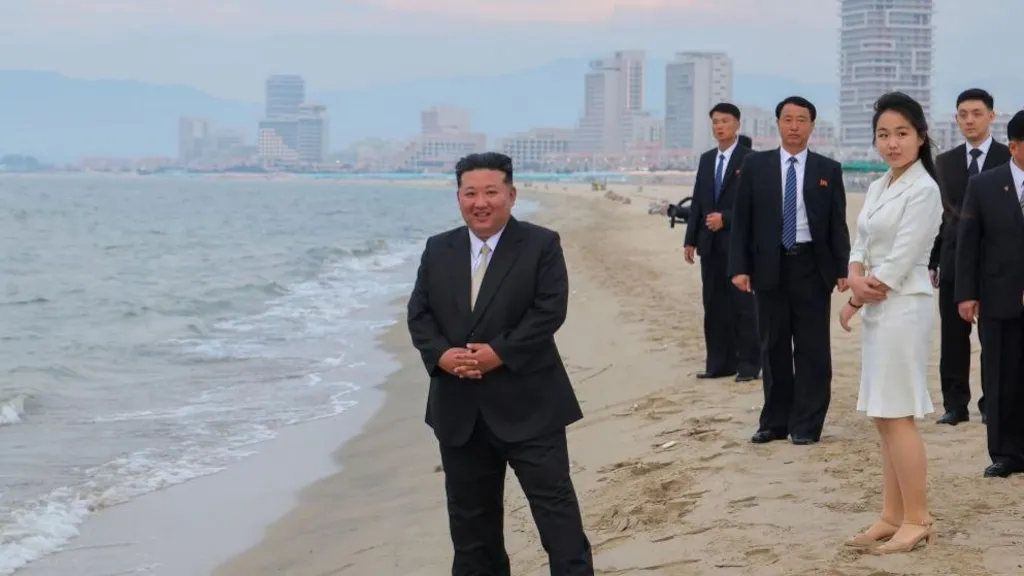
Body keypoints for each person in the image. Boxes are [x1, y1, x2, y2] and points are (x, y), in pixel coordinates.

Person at [406, 152, 594, 575]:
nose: (481, 202)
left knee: (557, 519)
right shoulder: (439, 249)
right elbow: (419, 315)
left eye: (491, 192)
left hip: (531, 405)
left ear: (511, 195)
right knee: (472, 531)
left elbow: (549, 311)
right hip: (458, 409)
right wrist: (441, 355)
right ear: (458, 197)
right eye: (470, 193)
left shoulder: (541, 243)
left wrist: (498, 353)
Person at [840, 92, 941, 553]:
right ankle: (891, 514)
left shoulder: (924, 190)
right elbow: (861, 241)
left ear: (921, 137)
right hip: (880, 308)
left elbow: (899, 262)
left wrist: (858, 296)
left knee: (898, 413)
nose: (892, 143)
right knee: (883, 413)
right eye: (884, 135)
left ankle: (917, 518)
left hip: (904, 306)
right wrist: (855, 277)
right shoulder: (881, 185)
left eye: (902, 134)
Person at [728, 95, 851, 446]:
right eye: (787, 119)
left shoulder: (828, 169)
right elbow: (742, 220)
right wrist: (739, 266)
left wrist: (842, 267)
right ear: (778, 124)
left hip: (812, 267)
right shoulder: (755, 165)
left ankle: (807, 424)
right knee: (773, 346)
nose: (794, 126)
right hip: (768, 266)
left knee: (812, 350)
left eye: (801, 119)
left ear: (812, 125)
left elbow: (836, 224)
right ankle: (775, 421)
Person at [930, 88, 1010, 426]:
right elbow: (941, 216)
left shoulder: (1009, 157)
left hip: (997, 263)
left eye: (976, 113)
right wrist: (934, 258)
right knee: (952, 337)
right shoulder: (945, 162)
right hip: (952, 260)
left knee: (995, 339)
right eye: (963, 114)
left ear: (992, 116)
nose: (969, 120)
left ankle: (991, 402)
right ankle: (955, 403)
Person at [955, 110, 1024, 478]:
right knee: (999, 376)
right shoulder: (984, 185)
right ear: (1014, 147)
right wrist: (966, 294)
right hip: (999, 297)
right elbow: (968, 245)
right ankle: (1005, 453)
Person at [684, 103, 760, 382]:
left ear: (737, 125)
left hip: (738, 244)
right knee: (714, 306)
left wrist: (725, 219)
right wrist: (690, 239)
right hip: (709, 245)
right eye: (715, 122)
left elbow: (755, 204)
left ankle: (749, 366)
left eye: (725, 121)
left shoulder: (750, 159)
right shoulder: (706, 160)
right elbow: (698, 202)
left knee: (743, 306)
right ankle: (719, 364)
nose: (719, 126)